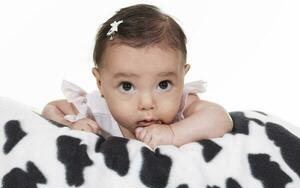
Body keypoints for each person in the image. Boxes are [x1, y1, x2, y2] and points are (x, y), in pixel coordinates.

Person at [42, 4, 233, 149]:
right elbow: (51, 109)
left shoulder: (182, 106)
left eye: (164, 84)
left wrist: (173, 134)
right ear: (100, 83)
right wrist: (71, 125)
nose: (147, 103)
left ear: (182, 77)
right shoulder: (96, 109)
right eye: (126, 86)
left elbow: (220, 118)